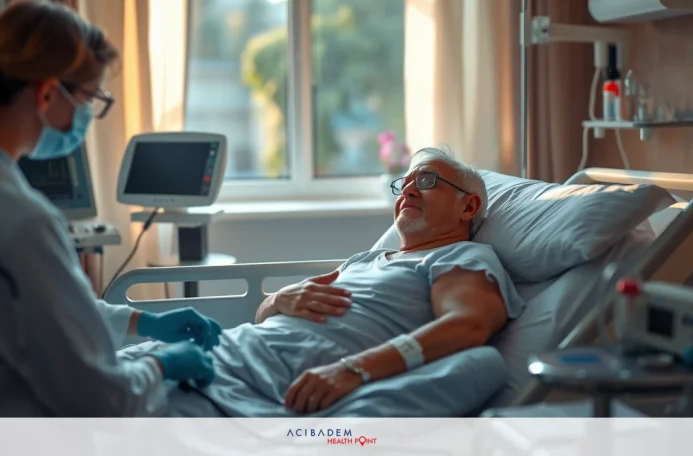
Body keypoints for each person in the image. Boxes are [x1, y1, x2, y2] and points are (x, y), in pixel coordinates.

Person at [0, 0, 221, 416]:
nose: (89, 117)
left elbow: (39, 308)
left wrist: (140, 321)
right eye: (92, 99)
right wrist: (161, 362)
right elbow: (100, 400)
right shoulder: (18, 219)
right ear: (47, 95)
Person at [121, 146, 525, 417]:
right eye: (402, 186)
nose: (407, 192)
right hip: (216, 353)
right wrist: (279, 297)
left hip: (241, 389)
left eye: (425, 181)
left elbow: (469, 327)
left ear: (468, 206)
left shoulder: (461, 256)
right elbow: (263, 316)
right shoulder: (366, 259)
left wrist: (354, 370)